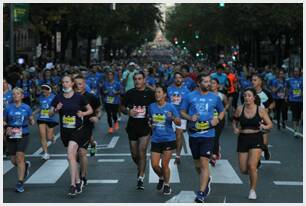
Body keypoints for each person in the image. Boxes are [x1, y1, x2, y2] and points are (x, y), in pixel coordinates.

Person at [181, 73, 225, 203]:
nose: (208, 84)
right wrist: (190, 117)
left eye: (209, 81)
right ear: (199, 83)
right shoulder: (189, 96)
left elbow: (222, 111)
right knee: (197, 165)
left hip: (208, 134)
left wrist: (218, 119)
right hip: (194, 134)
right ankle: (207, 179)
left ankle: (201, 192)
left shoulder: (214, 97)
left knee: (204, 162)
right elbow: (182, 111)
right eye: (205, 82)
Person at [50, 75, 93, 196]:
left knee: (70, 154)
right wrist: (55, 109)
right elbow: (49, 112)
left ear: (72, 83)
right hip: (65, 132)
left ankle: (73, 185)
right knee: (71, 157)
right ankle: (78, 181)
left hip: (78, 130)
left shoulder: (79, 97)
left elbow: (90, 110)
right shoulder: (58, 97)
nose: (65, 84)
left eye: (67, 82)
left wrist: (83, 113)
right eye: (63, 82)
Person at [232, 87, 272, 200]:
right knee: (244, 169)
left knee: (251, 166)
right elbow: (234, 121)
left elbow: (270, 124)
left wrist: (264, 126)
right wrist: (235, 128)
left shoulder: (260, 110)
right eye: (245, 96)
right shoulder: (240, 109)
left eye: (249, 96)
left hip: (256, 138)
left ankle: (252, 190)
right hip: (243, 138)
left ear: (254, 97)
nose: (247, 98)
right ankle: (254, 168)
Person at [121, 71, 155, 190]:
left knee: (142, 151)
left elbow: (157, 107)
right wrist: (128, 111)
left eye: (140, 79)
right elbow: (122, 107)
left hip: (145, 127)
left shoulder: (150, 94)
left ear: (144, 80)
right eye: (135, 79)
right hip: (132, 127)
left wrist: (153, 120)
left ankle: (140, 177)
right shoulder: (130, 93)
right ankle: (141, 166)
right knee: (135, 154)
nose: (137, 81)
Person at [149, 85, 181, 195]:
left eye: (159, 92)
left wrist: (172, 117)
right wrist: (151, 124)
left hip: (168, 138)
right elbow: (150, 120)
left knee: (164, 164)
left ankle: (167, 185)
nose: (157, 94)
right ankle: (161, 177)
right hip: (156, 139)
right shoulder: (151, 106)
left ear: (164, 94)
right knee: (154, 165)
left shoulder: (171, 107)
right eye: (155, 92)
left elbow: (179, 123)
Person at [4, 87, 35, 193]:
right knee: (14, 160)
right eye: (13, 94)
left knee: (20, 156)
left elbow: (31, 120)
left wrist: (31, 120)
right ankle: (25, 166)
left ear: (22, 96)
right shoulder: (8, 108)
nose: (15, 96)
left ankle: (20, 182)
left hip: (23, 134)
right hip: (11, 135)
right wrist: (7, 126)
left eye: (17, 94)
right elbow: (3, 120)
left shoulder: (26, 107)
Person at [74, 75, 101, 187]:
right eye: (76, 84)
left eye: (80, 84)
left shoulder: (91, 97)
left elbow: (99, 110)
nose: (78, 86)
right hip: (72, 128)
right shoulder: (69, 96)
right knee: (74, 156)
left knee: (82, 152)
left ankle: (83, 176)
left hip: (86, 127)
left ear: (84, 85)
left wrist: (97, 117)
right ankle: (93, 144)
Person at [167, 72, 190, 164]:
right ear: (174, 79)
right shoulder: (169, 89)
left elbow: (188, 104)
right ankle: (167, 152)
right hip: (170, 115)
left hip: (181, 115)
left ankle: (177, 156)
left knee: (178, 135)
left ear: (182, 79)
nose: (178, 79)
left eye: (180, 77)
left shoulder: (186, 91)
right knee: (169, 135)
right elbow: (166, 101)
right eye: (176, 77)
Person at [251, 74, 274, 160]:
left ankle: (266, 149)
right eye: (252, 80)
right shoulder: (249, 93)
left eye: (255, 80)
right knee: (254, 142)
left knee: (264, 143)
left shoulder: (266, 93)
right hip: (252, 119)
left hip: (264, 119)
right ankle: (257, 161)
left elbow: (273, 103)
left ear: (260, 81)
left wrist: (268, 109)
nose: (253, 82)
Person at [33, 84, 58, 160]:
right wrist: (33, 113)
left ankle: (52, 136)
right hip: (42, 118)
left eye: (46, 89)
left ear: (49, 90)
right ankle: (46, 153)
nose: (44, 90)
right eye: (43, 89)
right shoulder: (40, 98)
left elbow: (57, 108)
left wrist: (54, 111)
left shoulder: (54, 97)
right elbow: (40, 107)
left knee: (49, 137)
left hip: (51, 118)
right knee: (42, 136)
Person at [209, 78, 228, 166]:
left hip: (220, 119)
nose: (212, 84)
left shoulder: (222, 96)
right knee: (211, 137)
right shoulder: (206, 95)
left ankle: (213, 156)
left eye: (214, 83)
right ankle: (216, 150)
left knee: (215, 137)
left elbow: (226, 104)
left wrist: (223, 111)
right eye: (211, 83)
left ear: (217, 85)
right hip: (209, 119)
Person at [286, 67, 303, 138]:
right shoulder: (289, 80)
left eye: (297, 71)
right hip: (293, 100)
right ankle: (295, 130)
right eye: (295, 71)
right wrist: (286, 96)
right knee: (294, 115)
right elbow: (287, 88)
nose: (296, 73)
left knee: (300, 115)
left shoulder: (302, 80)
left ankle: (298, 128)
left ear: (299, 72)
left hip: (301, 100)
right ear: (293, 72)